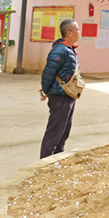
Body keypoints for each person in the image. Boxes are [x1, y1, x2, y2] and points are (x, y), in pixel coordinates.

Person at [39, 19, 80, 158]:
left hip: (69, 96)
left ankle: (57, 160)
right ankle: (44, 165)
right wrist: (46, 90)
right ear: (69, 33)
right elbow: (48, 73)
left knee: (63, 132)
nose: (78, 32)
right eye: (77, 30)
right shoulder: (59, 50)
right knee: (54, 133)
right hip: (60, 98)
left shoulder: (69, 49)